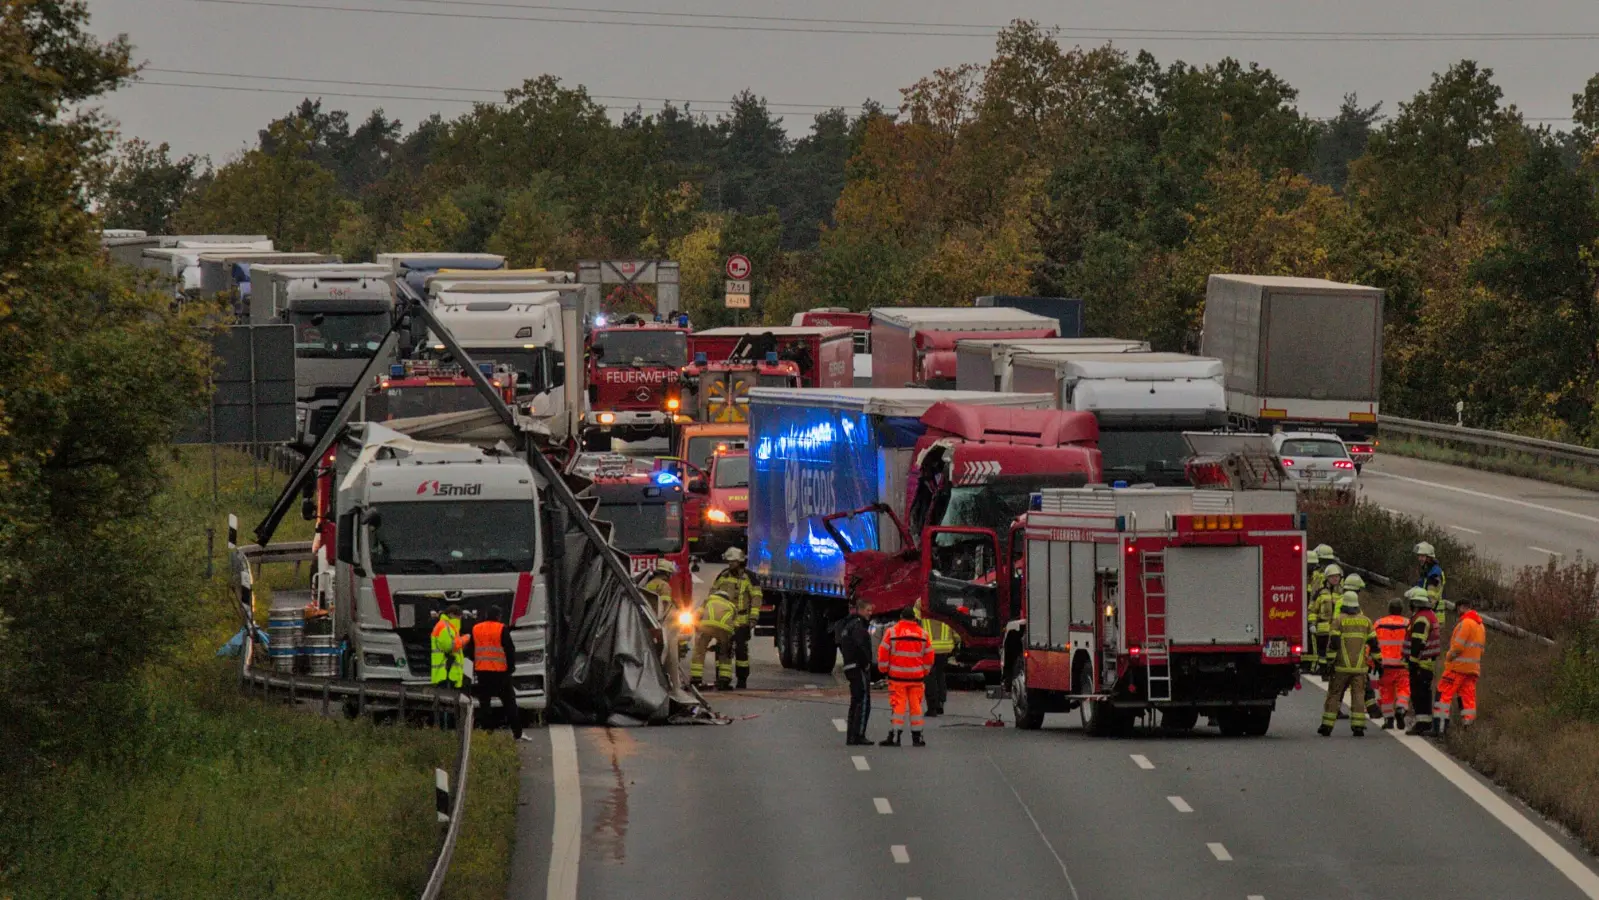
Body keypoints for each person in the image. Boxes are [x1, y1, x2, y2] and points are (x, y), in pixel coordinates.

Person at [463, 606, 529, 742]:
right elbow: (510, 650)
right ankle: (518, 733)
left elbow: (470, 651)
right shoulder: (501, 628)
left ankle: (488, 732)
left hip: (482, 672)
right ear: (498, 616)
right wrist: (511, 668)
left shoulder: (476, 628)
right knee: (510, 703)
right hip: (501, 673)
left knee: (485, 703)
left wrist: (477, 664)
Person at [1319, 592, 1378, 738]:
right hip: (1360, 668)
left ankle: (1327, 726)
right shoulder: (1366, 621)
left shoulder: (1338, 621)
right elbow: (1374, 645)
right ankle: (1358, 726)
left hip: (1341, 667)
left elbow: (1334, 643)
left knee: (1334, 694)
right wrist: (1379, 662)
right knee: (1358, 695)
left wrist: (1329, 662)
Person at [877, 606, 934, 747]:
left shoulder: (892, 632)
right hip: (916, 677)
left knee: (898, 706)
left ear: (901, 617)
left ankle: (895, 736)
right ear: (914, 619)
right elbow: (929, 656)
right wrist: (924, 671)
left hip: (897, 678)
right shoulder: (923, 634)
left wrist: (884, 669)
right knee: (916, 707)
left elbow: (883, 652)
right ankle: (918, 737)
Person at [714, 548, 762, 689]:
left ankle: (742, 679)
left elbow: (756, 598)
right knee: (722, 649)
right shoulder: (723, 576)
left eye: (732, 562)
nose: (730, 565)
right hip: (724, 621)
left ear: (740, 562)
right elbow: (713, 595)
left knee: (741, 651)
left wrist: (753, 618)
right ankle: (722, 679)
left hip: (742, 621)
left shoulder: (750, 578)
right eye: (728, 562)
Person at [1436, 600, 1485, 736]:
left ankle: (1440, 728)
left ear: (1462, 607)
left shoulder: (1465, 623)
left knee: (1443, 695)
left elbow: (1458, 647)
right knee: (1468, 699)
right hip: (1472, 669)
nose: (1457, 612)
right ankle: (1468, 729)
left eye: (1458, 609)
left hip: (1457, 668)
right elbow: (1481, 649)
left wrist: (1448, 656)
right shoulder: (1480, 626)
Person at [832, 596, 874, 746]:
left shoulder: (848, 624)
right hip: (858, 667)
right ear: (861, 610)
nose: (870, 613)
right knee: (862, 701)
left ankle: (851, 735)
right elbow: (860, 646)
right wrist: (866, 663)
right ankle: (858, 735)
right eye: (868, 610)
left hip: (850, 666)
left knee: (855, 701)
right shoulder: (858, 626)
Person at [1403, 587, 1442, 736]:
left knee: (1419, 694)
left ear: (1415, 603)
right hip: (1427, 662)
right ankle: (1424, 722)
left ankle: (1422, 723)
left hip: (1421, 663)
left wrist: (1413, 662)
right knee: (1424, 693)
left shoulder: (1421, 618)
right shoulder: (1429, 615)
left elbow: (1417, 642)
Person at [1373, 598, 1413, 731]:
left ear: (1389, 609)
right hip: (1403, 664)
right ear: (1401, 610)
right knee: (1404, 690)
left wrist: (1371, 662)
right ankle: (1401, 709)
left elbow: (1372, 643)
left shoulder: (1379, 624)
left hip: (1384, 665)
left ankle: (1389, 720)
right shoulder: (1408, 623)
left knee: (1386, 692)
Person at [914, 606, 957, 717]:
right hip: (945, 648)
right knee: (940, 674)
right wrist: (956, 642)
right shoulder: (947, 605)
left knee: (929, 678)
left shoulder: (921, 603)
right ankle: (941, 703)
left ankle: (932, 707)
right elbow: (956, 629)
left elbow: (915, 619)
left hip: (929, 648)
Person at [690, 589, 737, 690]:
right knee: (725, 653)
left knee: (699, 651)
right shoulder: (731, 605)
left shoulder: (708, 601)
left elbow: (696, 616)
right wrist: (726, 643)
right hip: (725, 629)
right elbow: (735, 624)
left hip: (706, 626)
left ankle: (696, 678)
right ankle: (724, 679)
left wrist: (697, 630)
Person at [1311, 564, 1345, 676]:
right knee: (1322, 653)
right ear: (1327, 578)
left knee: (1336, 651)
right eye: (1332, 576)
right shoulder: (1320, 593)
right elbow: (1313, 610)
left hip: (1338, 628)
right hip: (1322, 628)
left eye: (1337, 576)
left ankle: (1333, 671)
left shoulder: (1342, 594)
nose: (1335, 578)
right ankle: (1323, 671)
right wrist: (1312, 623)